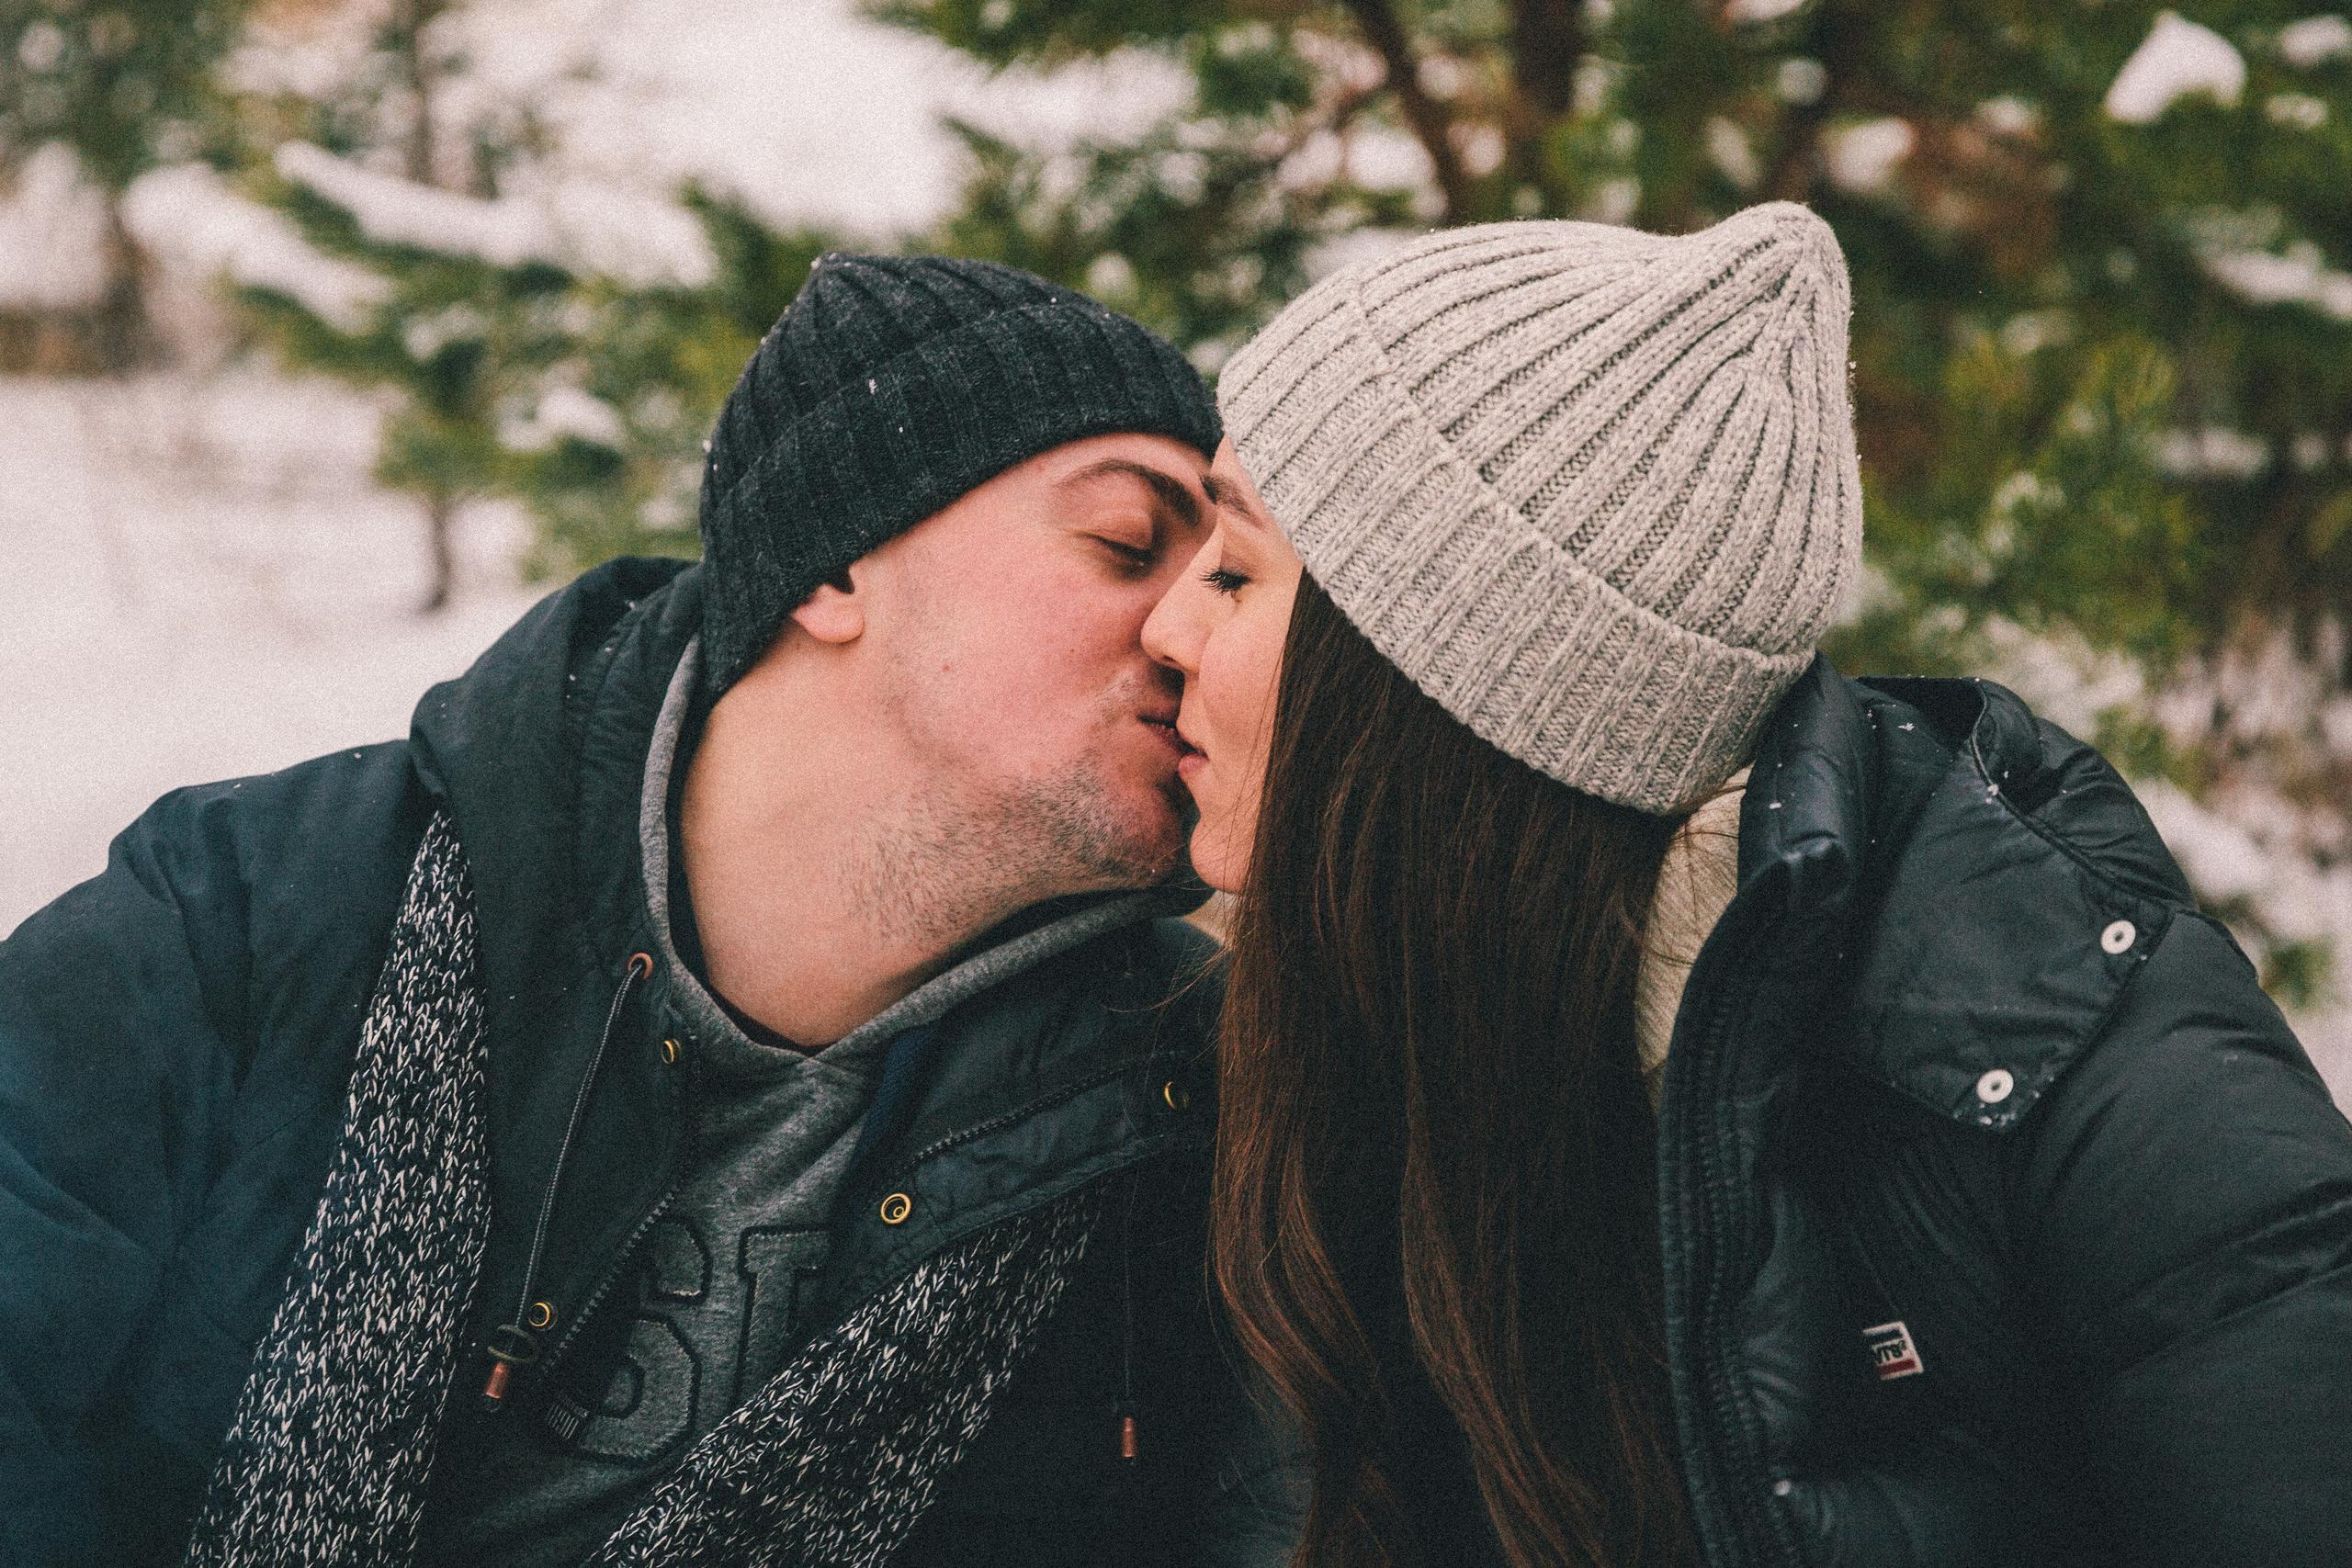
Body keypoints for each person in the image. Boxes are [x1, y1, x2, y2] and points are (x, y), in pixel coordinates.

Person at [0, 255, 1292, 1567]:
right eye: (1130, 545)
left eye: (1232, 574)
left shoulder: (1194, 1111)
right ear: (838, 566)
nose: (1192, 630)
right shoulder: (247, 917)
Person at [1142, 204, 2352, 1568]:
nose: (1164, 628)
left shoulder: (2098, 1102)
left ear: (1450, 702)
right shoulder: (1331, 1035)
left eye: (1235, 571)